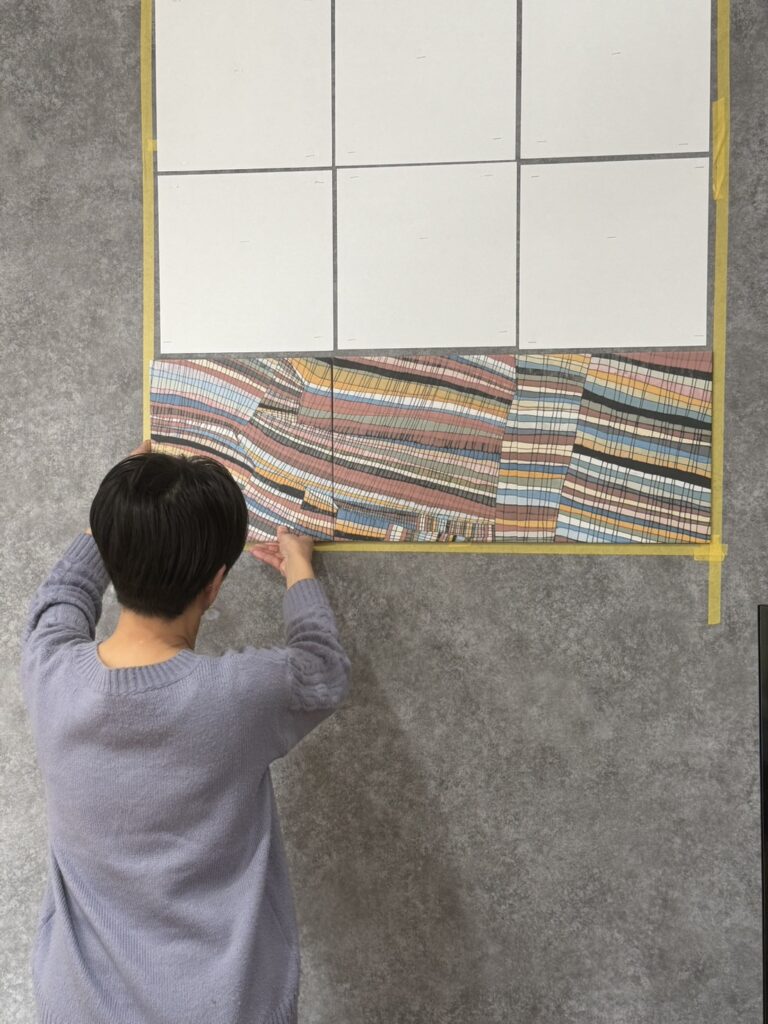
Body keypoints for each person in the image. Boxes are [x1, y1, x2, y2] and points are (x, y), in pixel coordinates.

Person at [19, 439, 351, 1024]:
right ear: (214, 585)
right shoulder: (239, 696)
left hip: (78, 1007)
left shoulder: (48, 673)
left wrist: (123, 517)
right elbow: (323, 670)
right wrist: (298, 567)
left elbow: (59, 600)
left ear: (113, 563)